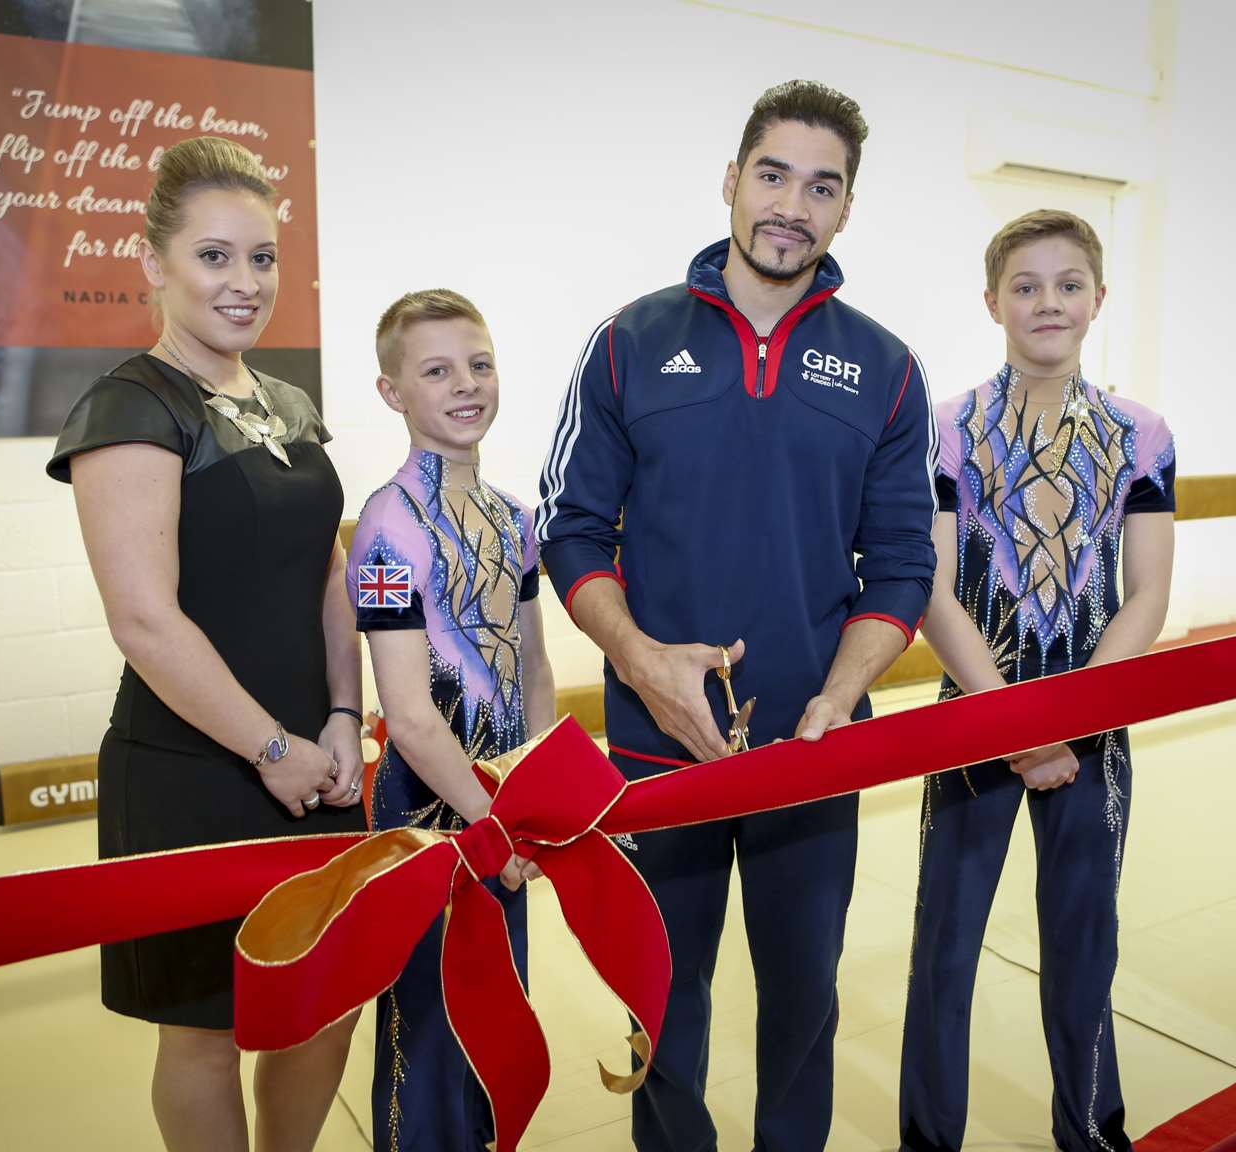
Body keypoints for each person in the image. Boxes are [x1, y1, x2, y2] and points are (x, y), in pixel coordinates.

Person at [537, 80, 937, 1152]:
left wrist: (838, 698)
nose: (791, 206)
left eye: (822, 186)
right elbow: (571, 530)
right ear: (730, 180)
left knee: (804, 1001)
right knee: (662, 996)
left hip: (812, 751)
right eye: (773, 175)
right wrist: (638, 658)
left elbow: (902, 562)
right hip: (651, 745)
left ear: (845, 208)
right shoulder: (627, 342)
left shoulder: (887, 370)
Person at [46, 136, 366, 1152]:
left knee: (325, 1001)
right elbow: (144, 618)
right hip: (195, 764)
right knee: (205, 1030)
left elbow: (329, 572)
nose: (245, 281)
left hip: (317, 761)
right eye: (215, 256)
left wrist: (343, 717)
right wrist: (269, 751)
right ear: (154, 264)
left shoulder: (288, 406)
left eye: (261, 257)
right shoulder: (132, 405)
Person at [900, 209, 1177, 1152]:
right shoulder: (944, 430)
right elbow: (932, 589)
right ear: (992, 303)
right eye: (1025, 286)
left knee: (1082, 948)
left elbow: (1145, 593)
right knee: (944, 949)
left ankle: (1092, 1134)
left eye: (1067, 284)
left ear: (1098, 298)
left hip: (1093, 722)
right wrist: (1013, 721)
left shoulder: (1141, 434)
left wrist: (1073, 717)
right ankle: (927, 1139)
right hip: (975, 710)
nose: (1047, 302)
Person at [348, 289, 556, 1152]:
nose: (465, 384)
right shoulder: (386, 527)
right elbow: (406, 713)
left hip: (502, 797)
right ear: (393, 391)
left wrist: (537, 793)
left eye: (479, 363)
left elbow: (535, 667)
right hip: (430, 804)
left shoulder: (516, 517)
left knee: (497, 1002)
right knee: (426, 1024)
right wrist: (490, 820)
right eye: (436, 370)